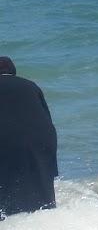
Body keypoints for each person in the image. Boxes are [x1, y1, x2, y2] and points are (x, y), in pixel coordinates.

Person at [0, 57, 58, 218]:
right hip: (42, 138)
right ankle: (47, 221)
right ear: (13, 71)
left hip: (6, 139)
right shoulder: (31, 85)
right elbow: (45, 116)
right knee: (40, 184)